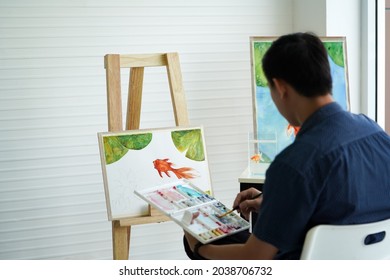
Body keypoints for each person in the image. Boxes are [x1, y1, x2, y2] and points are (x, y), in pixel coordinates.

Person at [183, 32, 390, 260]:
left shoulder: (294, 164)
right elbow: (342, 208)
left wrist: (200, 248)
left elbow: (256, 258)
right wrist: (274, 202)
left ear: (280, 88)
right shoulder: (376, 134)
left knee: (198, 238)